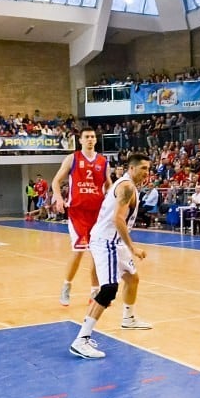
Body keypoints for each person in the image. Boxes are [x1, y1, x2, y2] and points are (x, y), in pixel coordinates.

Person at [69, 153, 152, 360]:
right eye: (143, 168)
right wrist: (132, 248)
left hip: (114, 241)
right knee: (108, 289)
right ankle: (82, 340)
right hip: (107, 241)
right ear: (131, 168)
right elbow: (118, 219)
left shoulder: (128, 185)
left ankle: (129, 318)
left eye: (148, 169)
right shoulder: (126, 187)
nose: (146, 173)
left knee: (133, 278)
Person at [52, 128, 111, 306]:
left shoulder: (103, 161)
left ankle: (95, 292)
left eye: (93, 136)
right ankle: (66, 286)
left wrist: (112, 201)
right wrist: (59, 198)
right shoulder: (73, 158)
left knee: (96, 253)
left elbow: (108, 185)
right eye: (87, 137)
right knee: (78, 251)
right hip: (78, 212)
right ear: (80, 140)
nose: (90, 139)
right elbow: (56, 181)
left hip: (97, 213)